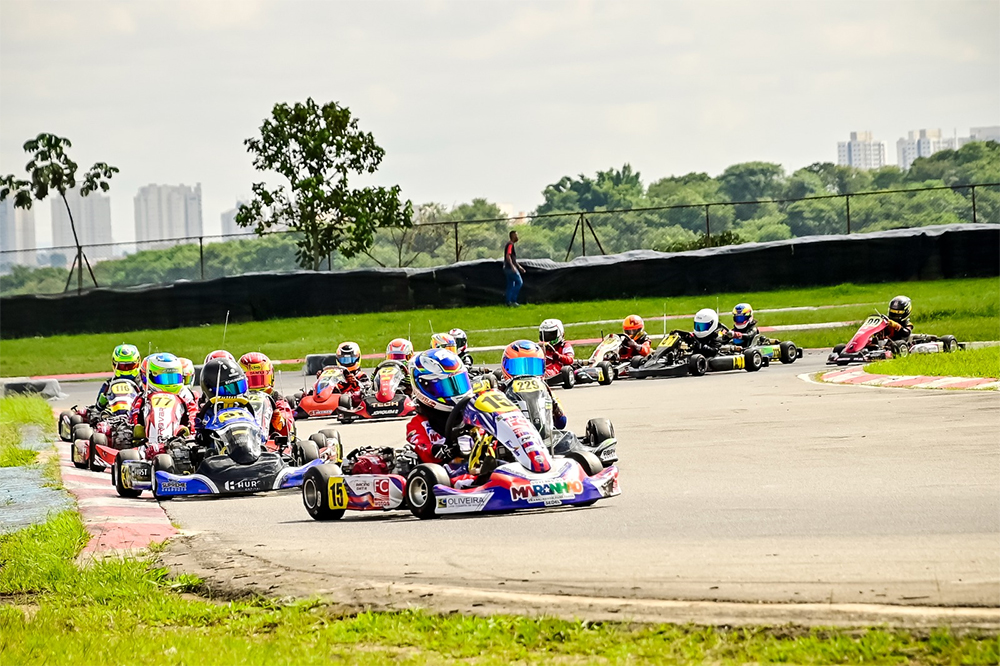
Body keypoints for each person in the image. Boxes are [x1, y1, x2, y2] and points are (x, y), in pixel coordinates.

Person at [404, 349, 479, 485]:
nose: (456, 393)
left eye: (459, 383)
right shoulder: (419, 424)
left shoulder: (472, 415)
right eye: (446, 387)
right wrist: (440, 450)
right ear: (425, 388)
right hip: (446, 472)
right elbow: (422, 446)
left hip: (478, 463)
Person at [498, 340, 567, 430]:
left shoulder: (546, 391)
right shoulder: (501, 393)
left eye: (533, 367)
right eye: (519, 367)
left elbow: (562, 422)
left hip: (546, 438)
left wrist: (554, 405)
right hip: (512, 437)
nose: (526, 375)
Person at [131, 352, 198, 439]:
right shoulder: (143, 397)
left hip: (179, 441)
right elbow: (134, 415)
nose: (170, 383)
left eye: (174, 377)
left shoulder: (185, 395)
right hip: (146, 440)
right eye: (164, 378)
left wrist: (192, 430)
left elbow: (194, 414)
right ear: (147, 377)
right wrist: (136, 425)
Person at [194, 357, 252, 446]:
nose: (235, 395)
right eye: (228, 390)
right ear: (210, 391)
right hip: (218, 452)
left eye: (240, 386)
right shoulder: (207, 412)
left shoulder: (246, 408)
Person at [239, 352, 294, 441]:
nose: (256, 386)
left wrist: (279, 420)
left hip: (269, 443)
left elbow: (290, 431)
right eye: (251, 380)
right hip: (241, 439)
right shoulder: (237, 400)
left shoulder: (277, 400)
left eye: (260, 379)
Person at [93, 344, 142, 412]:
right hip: (113, 417)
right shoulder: (109, 384)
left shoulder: (141, 384)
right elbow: (98, 407)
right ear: (114, 364)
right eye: (122, 366)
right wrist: (102, 401)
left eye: (130, 366)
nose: (126, 369)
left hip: (134, 415)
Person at [503, 230, 525, 307]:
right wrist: (513, 267)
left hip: (506, 268)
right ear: (512, 236)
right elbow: (508, 256)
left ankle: (508, 302)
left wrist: (519, 267)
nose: (517, 236)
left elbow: (513, 259)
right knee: (519, 282)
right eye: (516, 235)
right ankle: (513, 300)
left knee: (510, 284)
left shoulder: (509, 244)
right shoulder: (510, 245)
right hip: (510, 268)